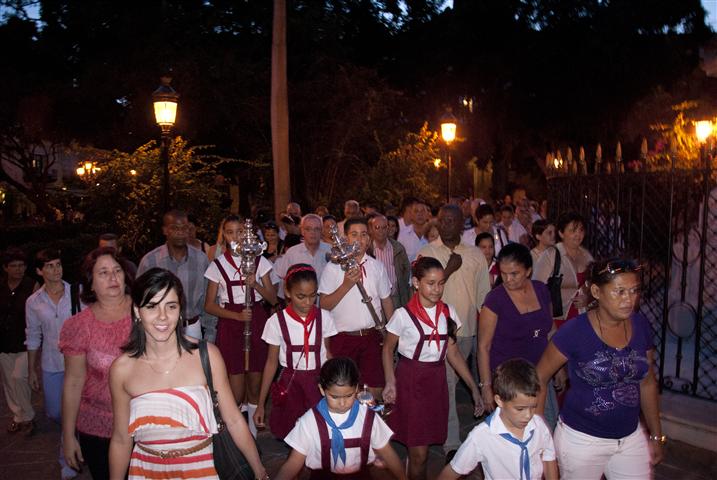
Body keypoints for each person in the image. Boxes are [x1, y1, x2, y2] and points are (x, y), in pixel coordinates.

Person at [108, 268, 268, 480]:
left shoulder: (206, 356)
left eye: (171, 306)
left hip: (202, 470)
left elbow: (234, 419)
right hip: (146, 471)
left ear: (180, 310)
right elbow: (121, 438)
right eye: (152, 306)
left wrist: (259, 471)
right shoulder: (122, 369)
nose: (163, 316)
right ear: (137, 311)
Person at [536, 258, 664, 479]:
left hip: (630, 437)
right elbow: (539, 377)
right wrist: (537, 435)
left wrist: (656, 435)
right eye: (619, 291)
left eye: (634, 291)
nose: (629, 300)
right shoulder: (574, 331)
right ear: (596, 291)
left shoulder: (641, 325)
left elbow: (647, 381)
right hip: (581, 441)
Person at [382, 257, 483, 480]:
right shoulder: (403, 316)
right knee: (419, 453)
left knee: (425, 448)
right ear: (416, 283)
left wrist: (473, 388)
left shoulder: (448, 312)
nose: (437, 289)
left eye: (441, 283)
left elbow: (453, 353)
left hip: (436, 383)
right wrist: (390, 381)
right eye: (431, 283)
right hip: (411, 381)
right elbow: (387, 349)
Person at [417, 204, 491, 458]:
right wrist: (448, 269)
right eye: (443, 219)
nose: (447, 224)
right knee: (448, 384)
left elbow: (484, 297)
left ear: (462, 224)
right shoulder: (427, 252)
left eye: (453, 220)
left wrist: (485, 332)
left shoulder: (475, 255)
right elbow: (419, 289)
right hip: (435, 331)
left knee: (451, 383)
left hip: (467, 331)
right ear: (437, 222)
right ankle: (451, 444)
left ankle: (437, 426)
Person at [60, 247, 133, 479]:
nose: (113, 277)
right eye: (103, 272)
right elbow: (73, 382)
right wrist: (68, 435)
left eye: (117, 270)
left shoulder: (146, 311)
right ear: (90, 283)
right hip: (97, 425)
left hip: (143, 424)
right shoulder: (79, 326)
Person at [204, 214, 277, 438]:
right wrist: (235, 316)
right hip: (232, 323)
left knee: (255, 383)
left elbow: (273, 299)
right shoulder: (218, 265)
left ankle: (253, 438)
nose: (235, 237)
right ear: (223, 235)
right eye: (230, 232)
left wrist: (254, 283)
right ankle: (238, 439)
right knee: (235, 389)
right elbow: (209, 305)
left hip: (256, 320)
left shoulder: (259, 260)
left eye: (239, 232)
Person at [275, 357, 407, 480]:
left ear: (356, 388)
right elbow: (293, 463)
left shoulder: (367, 417)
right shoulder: (310, 421)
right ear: (322, 390)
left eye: (349, 396)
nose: (342, 403)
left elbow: (388, 454)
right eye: (335, 397)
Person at [477, 243, 559, 429]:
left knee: (544, 428)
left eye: (514, 273)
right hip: (509, 380)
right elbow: (483, 347)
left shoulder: (541, 291)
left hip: (540, 374)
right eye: (503, 273)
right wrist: (486, 386)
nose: (508, 279)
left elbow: (550, 329)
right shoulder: (495, 300)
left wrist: (558, 368)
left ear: (528, 270)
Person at [255, 264, 338, 438]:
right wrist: (261, 403)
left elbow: (328, 354)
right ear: (287, 292)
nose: (308, 302)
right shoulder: (276, 322)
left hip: (318, 384)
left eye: (313, 295)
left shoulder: (325, 318)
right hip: (291, 384)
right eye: (301, 296)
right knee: (294, 434)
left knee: (320, 433)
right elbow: (271, 363)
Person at [438, 359, 558, 480]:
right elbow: (452, 471)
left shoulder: (538, 425)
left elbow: (548, 457)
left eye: (533, 407)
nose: (528, 415)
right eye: (520, 409)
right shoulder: (481, 436)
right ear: (499, 400)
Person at [319, 218, 393, 400]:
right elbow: (324, 304)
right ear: (345, 238)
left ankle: (367, 425)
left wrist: (393, 334)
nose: (359, 240)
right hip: (343, 338)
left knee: (373, 391)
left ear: (369, 239)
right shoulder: (333, 268)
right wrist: (346, 285)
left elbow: (387, 302)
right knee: (344, 389)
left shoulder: (377, 267)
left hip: (371, 337)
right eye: (354, 235)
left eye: (364, 234)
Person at [25, 249, 78, 479]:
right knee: (55, 411)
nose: (56, 270)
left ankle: (67, 458)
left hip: (78, 363)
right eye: (49, 266)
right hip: (51, 363)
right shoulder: (34, 302)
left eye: (58, 264)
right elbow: (33, 335)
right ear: (39, 271)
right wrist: (31, 370)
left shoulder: (76, 292)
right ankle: (73, 439)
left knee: (73, 411)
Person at [137, 209, 211, 340]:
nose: (180, 232)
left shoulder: (201, 259)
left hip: (192, 328)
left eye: (184, 228)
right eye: (174, 228)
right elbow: (139, 299)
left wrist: (210, 332)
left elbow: (207, 298)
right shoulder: (150, 261)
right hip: (159, 328)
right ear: (165, 230)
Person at [533, 211, 594, 328]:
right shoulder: (550, 255)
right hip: (557, 320)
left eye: (581, 230)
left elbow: (597, 287)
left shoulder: (587, 257)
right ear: (561, 233)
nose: (578, 235)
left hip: (584, 317)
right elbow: (537, 289)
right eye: (572, 231)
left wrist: (589, 298)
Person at [1, 248, 36, 436]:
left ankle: (28, 416)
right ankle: (17, 416)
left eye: (21, 265)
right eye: (13, 266)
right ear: (5, 268)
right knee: (8, 382)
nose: (18, 269)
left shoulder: (33, 286)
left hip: (25, 342)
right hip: (4, 342)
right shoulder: (1, 286)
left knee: (19, 377)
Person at [273, 214, 330, 300]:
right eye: (308, 229)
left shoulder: (331, 251)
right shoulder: (292, 253)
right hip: (299, 305)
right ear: (302, 231)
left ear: (321, 231)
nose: (312, 233)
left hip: (326, 304)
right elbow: (283, 279)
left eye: (316, 229)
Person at [368, 213, 411, 310]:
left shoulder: (398, 248)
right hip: (375, 299)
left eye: (384, 227)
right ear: (371, 229)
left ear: (388, 229)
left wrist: (403, 289)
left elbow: (406, 270)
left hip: (395, 298)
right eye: (377, 227)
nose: (381, 231)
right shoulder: (367, 249)